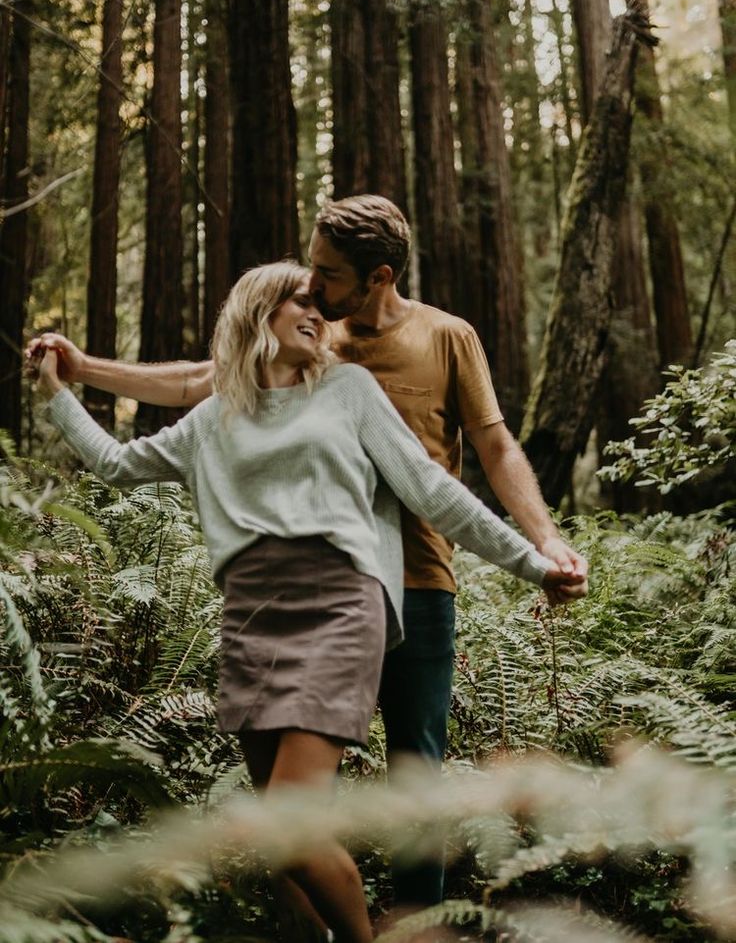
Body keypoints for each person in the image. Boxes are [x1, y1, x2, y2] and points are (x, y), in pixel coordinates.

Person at [28, 195, 588, 913]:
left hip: (411, 581)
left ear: (377, 275)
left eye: (325, 275)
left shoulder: (439, 339)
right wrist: (79, 371)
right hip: (293, 598)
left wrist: (543, 546)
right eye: (306, 277)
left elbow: (487, 450)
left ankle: (420, 924)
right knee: (287, 811)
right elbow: (204, 380)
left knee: (413, 778)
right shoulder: (307, 346)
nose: (314, 289)